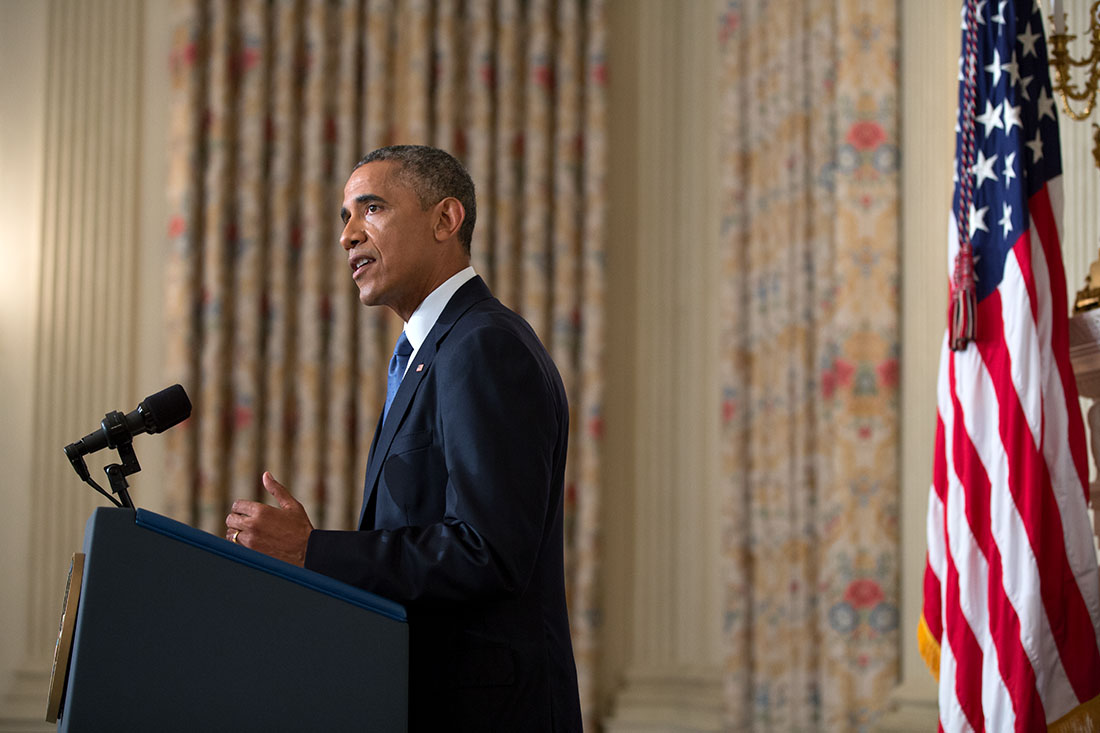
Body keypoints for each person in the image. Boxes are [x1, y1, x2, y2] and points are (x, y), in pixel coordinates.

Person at [225, 145, 582, 731]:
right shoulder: (430, 353)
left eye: (372, 209)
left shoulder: (482, 346)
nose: (347, 236)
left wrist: (314, 551)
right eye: (345, 216)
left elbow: (486, 553)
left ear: (446, 220)